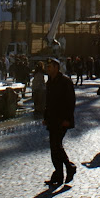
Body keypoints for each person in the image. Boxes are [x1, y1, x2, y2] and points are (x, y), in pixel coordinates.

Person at [42, 58, 76, 186]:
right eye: (47, 66)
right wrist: (45, 117)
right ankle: (59, 175)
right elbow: (48, 102)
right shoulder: (50, 82)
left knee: (56, 145)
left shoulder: (65, 81)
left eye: (50, 66)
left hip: (62, 120)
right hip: (52, 119)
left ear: (56, 67)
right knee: (54, 148)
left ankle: (68, 167)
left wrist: (67, 119)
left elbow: (70, 101)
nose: (48, 69)